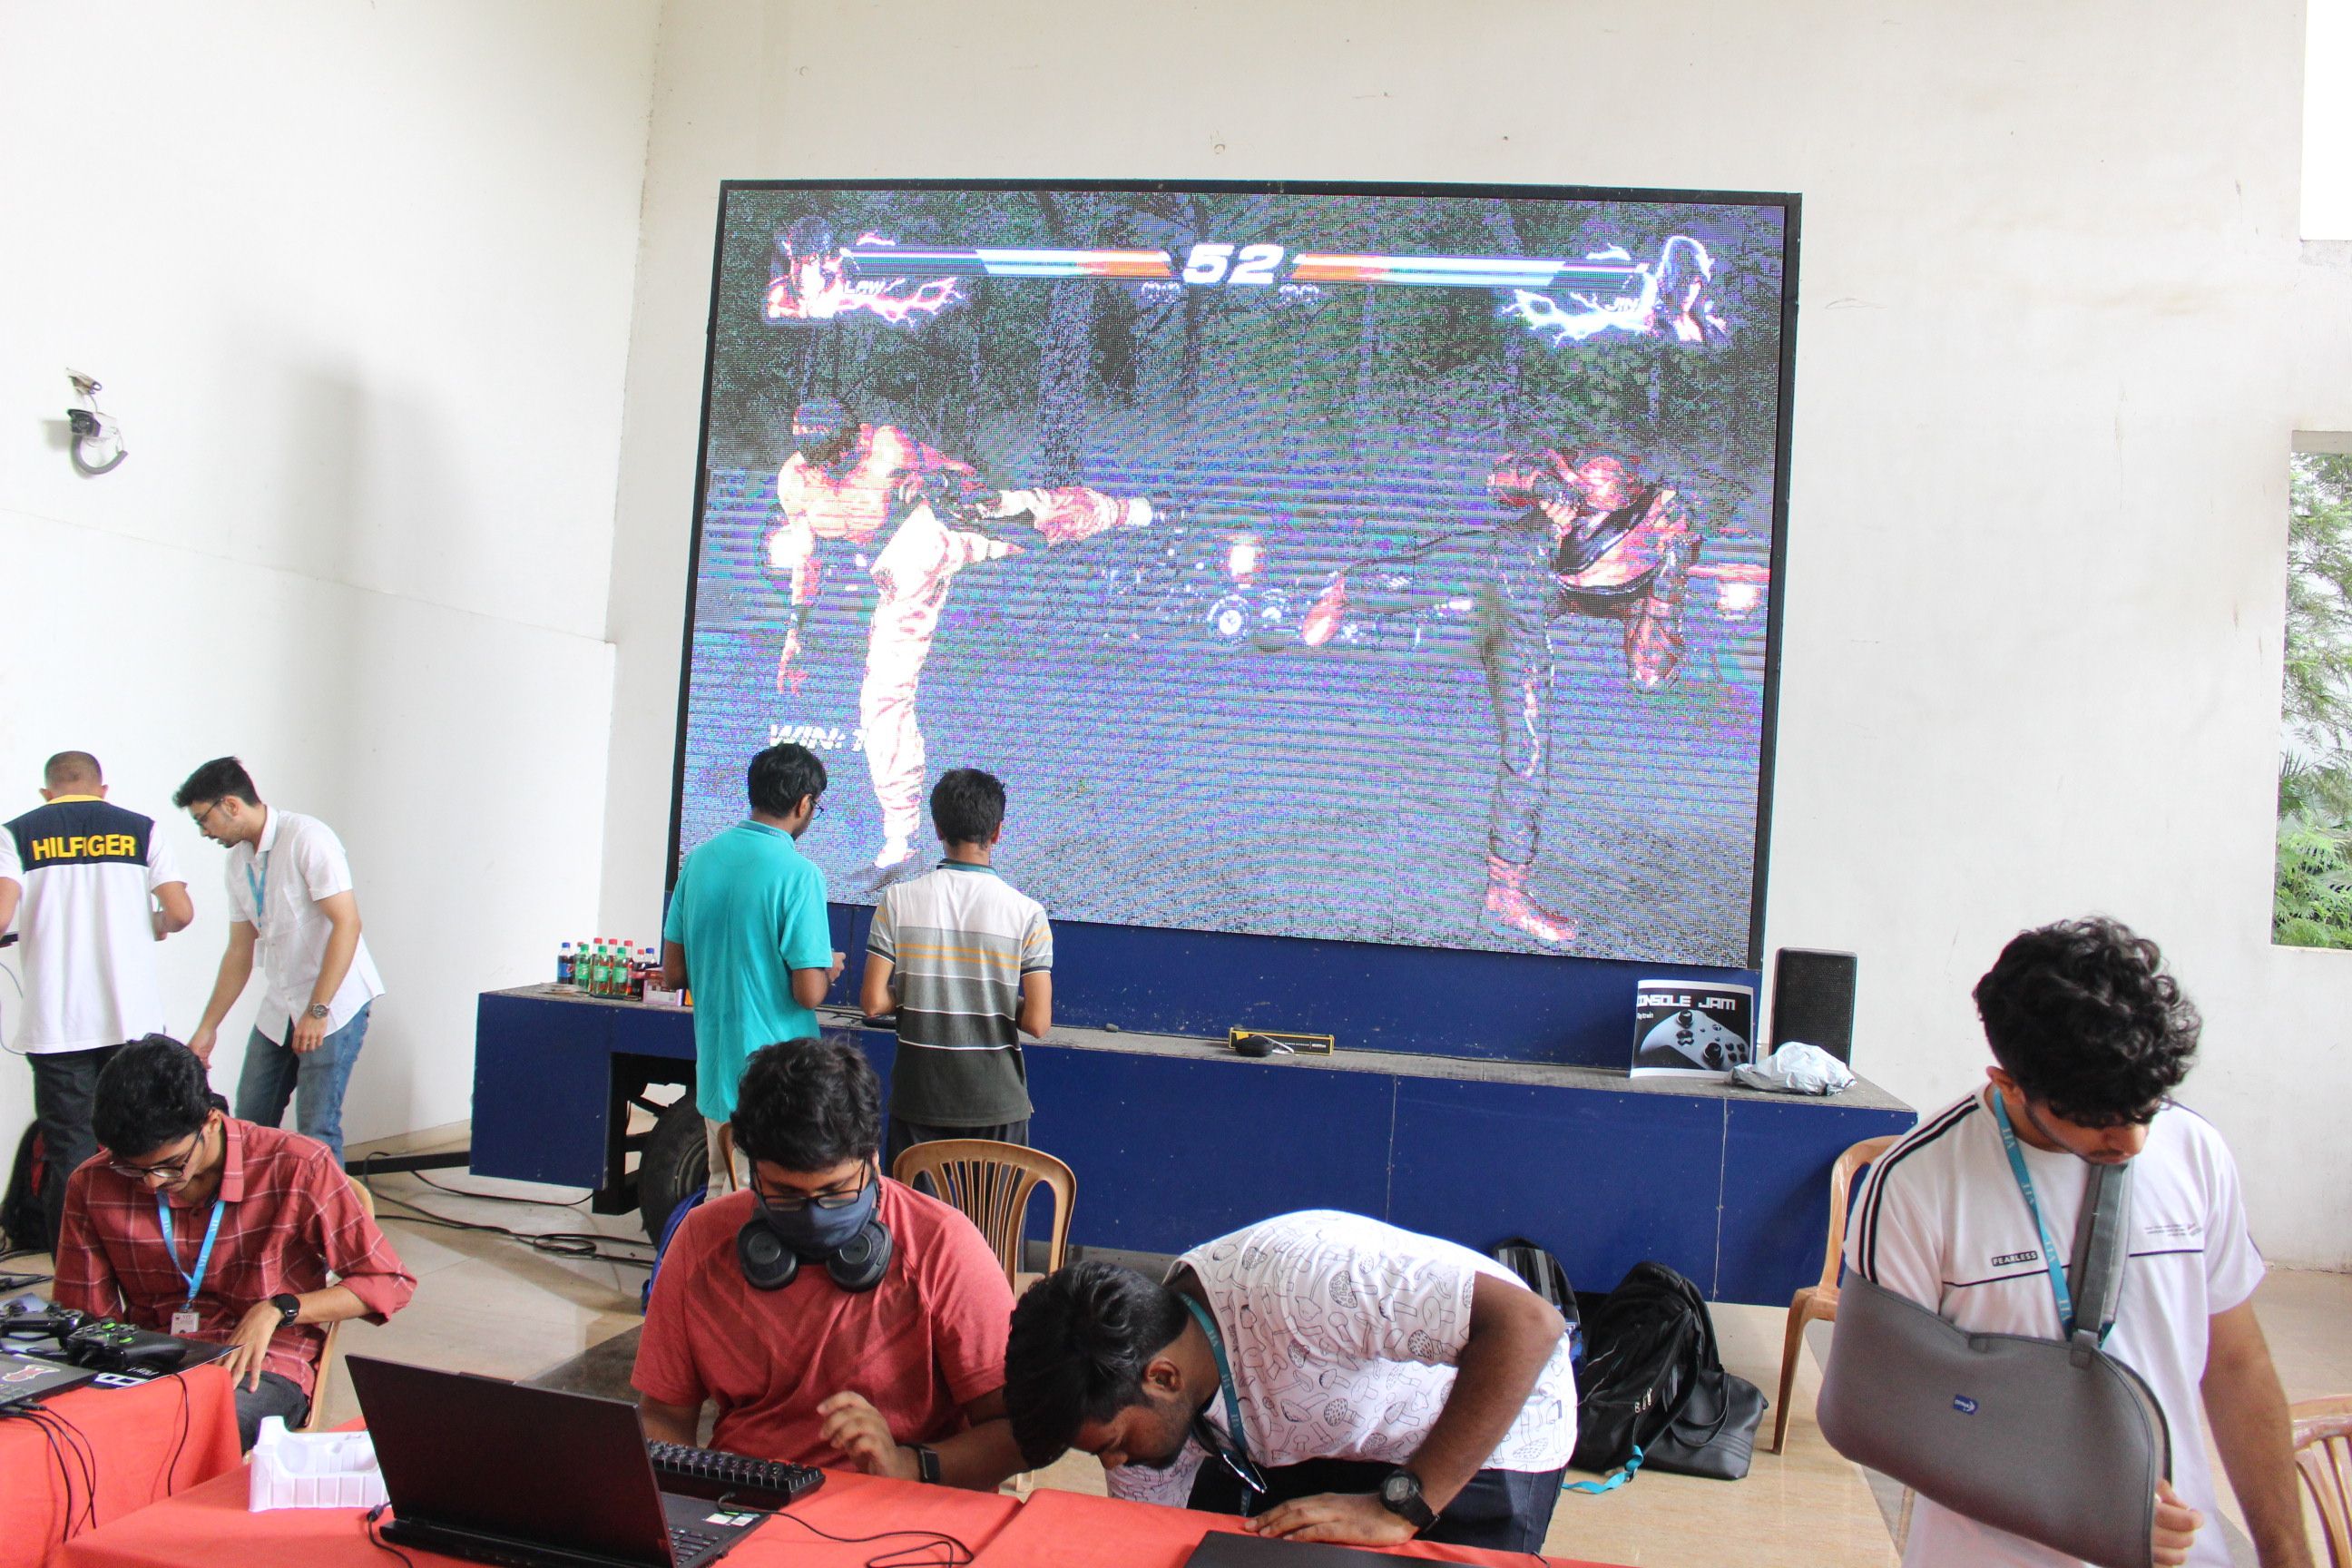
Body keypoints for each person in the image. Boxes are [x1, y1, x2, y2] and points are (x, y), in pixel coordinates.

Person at [1846, 917, 2311, 1568]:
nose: (2133, 1142)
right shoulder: (1915, 1184)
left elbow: (2238, 1366)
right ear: (2009, 1084)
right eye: (2098, 1122)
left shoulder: (2195, 1150)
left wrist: (2288, 1555)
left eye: (2146, 1108)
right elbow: (1876, 1417)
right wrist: (2081, 1509)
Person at [1301, 446, 1746, 952]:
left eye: (1684, 523)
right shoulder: (1600, 478)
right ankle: (1347, 588)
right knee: (1451, 565)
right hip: (1511, 571)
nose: (1673, 520)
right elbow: (1501, 476)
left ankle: (1506, 894)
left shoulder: (1660, 566)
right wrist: (1546, 486)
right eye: (1673, 509)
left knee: (1528, 754)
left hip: (1531, 616)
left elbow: (1649, 673)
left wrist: (1670, 580)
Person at [1004, 1210, 1576, 1553]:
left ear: (1164, 1377)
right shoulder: (1142, 1381)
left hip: (1492, 1422)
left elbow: (1529, 1325)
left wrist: (1401, 1507)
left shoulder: (1306, 1286)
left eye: (1112, 1445)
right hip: (1333, 1434)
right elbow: (1145, 1542)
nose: (1113, 1464)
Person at [766, 397, 1155, 883]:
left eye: (846, 447)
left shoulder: (886, 444)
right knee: (882, 699)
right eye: (829, 454)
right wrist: (796, 636)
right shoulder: (796, 483)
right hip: (899, 571)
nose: (842, 458)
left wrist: (949, 485)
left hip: (942, 526)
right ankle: (899, 839)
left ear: (853, 435)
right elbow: (807, 562)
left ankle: (1124, 511)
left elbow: (960, 472)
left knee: (1028, 508)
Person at [632, 1036, 1024, 1487]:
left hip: (896, 1503)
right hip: (748, 1499)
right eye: (786, 1193)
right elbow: (664, 1415)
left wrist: (909, 1466)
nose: (815, 1214)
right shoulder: (701, 1241)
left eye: (836, 1191)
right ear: (752, 1171)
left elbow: (1017, 1433)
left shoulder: (942, 1247)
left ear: (873, 1160)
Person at [53, 1035, 416, 1448]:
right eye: (132, 1169)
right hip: (146, 1360)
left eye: (170, 1165)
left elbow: (389, 1281)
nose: (152, 1184)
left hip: (260, 1362)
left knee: (188, 1435)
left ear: (210, 1122)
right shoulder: (93, 1182)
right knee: (67, 1436)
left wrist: (280, 1308)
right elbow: (85, 1317)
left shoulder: (296, 1165)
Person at [0, 751, 194, 1249]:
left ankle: (74, 1268)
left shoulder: (17, 833)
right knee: (144, 1142)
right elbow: (180, 912)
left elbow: (1, 916)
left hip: (56, 1024)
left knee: (70, 1150)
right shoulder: (142, 829)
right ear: (102, 789)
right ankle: (144, 1257)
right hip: (132, 1021)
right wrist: (155, 923)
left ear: (47, 792)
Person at [174, 758, 384, 1167]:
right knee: (248, 1124)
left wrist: (317, 1011)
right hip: (282, 1004)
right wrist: (207, 1028)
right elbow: (239, 952)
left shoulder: (307, 838)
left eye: (203, 820)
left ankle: (331, 1211)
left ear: (231, 805)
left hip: (333, 1004)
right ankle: (257, 1208)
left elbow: (347, 924)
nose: (204, 832)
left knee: (317, 1131)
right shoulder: (237, 862)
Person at [661, 744, 845, 1195]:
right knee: (762, 1207)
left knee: (720, 1194)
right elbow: (808, 993)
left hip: (715, 1072)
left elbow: (673, 974)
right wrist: (827, 968)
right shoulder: (799, 874)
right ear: (804, 803)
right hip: (778, 1082)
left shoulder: (699, 861)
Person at [859, 768, 1053, 1172]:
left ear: (937, 829)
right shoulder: (1028, 914)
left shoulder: (896, 901)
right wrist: (993, 995)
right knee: (991, 1216)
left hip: (919, 1101)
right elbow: (1037, 1022)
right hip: (997, 1107)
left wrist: (920, 989)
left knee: (916, 1216)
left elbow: (874, 1003)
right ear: (997, 832)